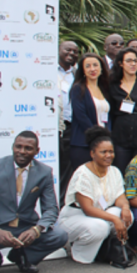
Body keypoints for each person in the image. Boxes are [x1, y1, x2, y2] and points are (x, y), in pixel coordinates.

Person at [0, 132, 69, 273]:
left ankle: (22, 257)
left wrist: (36, 230)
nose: (22, 151)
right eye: (18, 147)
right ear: (13, 147)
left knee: (60, 236)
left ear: (37, 151)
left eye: (28, 148)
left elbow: (51, 209)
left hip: (26, 228)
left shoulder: (44, 172)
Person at [57, 127, 133, 264]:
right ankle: (81, 254)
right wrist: (115, 220)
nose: (108, 155)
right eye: (103, 152)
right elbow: (88, 209)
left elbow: (120, 198)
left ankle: (106, 247)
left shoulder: (114, 171)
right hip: (75, 217)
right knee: (100, 227)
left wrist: (126, 208)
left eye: (111, 151)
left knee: (125, 215)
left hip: (98, 215)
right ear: (92, 153)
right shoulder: (83, 174)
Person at [66, 53, 111, 199]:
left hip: (102, 143)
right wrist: (97, 137)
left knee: (100, 181)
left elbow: (108, 115)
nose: (92, 69)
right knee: (83, 181)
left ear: (102, 68)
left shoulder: (104, 88)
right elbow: (81, 116)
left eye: (95, 65)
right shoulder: (78, 88)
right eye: (88, 66)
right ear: (82, 70)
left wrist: (106, 137)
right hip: (83, 143)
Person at [58, 40, 79, 190]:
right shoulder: (48, 70)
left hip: (73, 127)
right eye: (67, 50)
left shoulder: (77, 74)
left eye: (75, 51)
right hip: (54, 126)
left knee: (68, 166)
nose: (71, 53)